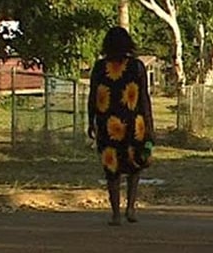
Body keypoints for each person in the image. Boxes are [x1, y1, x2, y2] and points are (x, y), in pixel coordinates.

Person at [87, 26, 154, 226]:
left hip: (108, 125)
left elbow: (93, 96)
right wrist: (149, 124)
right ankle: (131, 208)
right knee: (134, 166)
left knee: (112, 168)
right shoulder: (137, 66)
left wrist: (90, 121)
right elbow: (144, 98)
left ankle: (115, 213)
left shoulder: (99, 67)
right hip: (134, 123)